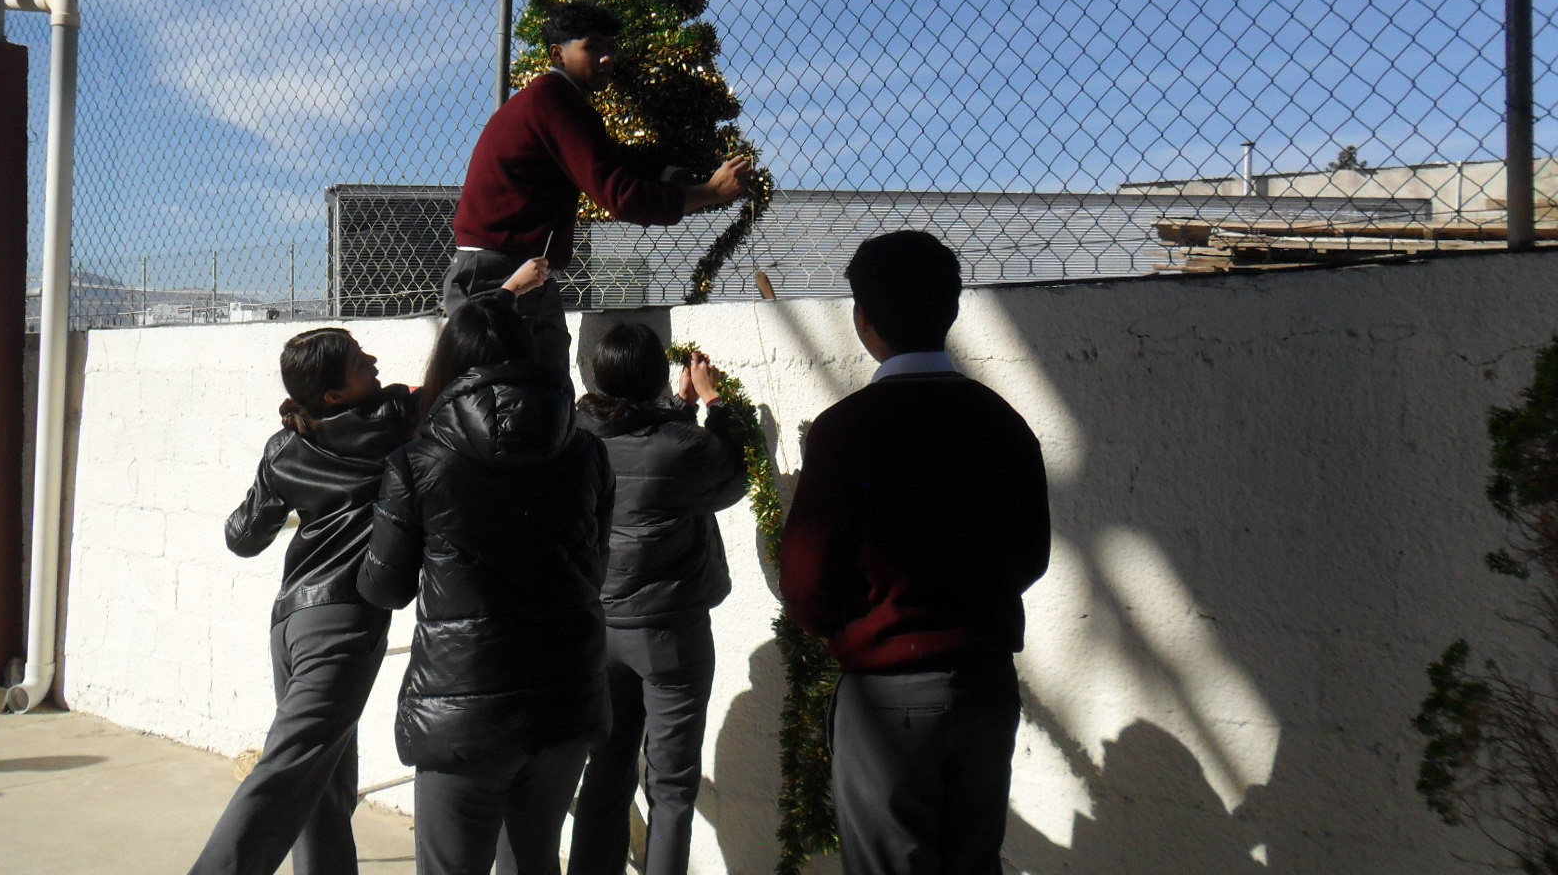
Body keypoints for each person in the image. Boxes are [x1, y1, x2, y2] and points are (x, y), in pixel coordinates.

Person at [779, 230, 1051, 875]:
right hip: (985, 685)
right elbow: (1030, 557)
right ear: (952, 309)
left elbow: (808, 579)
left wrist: (852, 624)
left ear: (863, 319)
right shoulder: (1001, 421)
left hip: (887, 697)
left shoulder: (846, 431)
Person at [358, 297, 615, 875]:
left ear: (447, 364)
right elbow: (593, 567)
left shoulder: (417, 463)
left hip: (460, 710)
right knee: (535, 861)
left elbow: (384, 588)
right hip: (565, 695)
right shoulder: (587, 452)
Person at [188, 329, 415, 875]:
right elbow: (457, 364)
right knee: (291, 771)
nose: (375, 361)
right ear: (334, 395)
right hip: (342, 627)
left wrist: (279, 494)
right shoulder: (393, 421)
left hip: (290, 625)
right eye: (362, 362)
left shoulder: (284, 447)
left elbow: (243, 537)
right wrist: (504, 292)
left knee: (322, 786)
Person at [446, 1, 754, 371]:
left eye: (610, 48)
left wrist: (670, 172)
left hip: (503, 267)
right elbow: (619, 196)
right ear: (558, 54)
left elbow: (610, 159)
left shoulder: (553, 101)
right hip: (500, 271)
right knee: (521, 401)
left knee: (530, 397)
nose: (607, 58)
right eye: (592, 47)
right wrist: (710, 193)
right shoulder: (554, 102)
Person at [564, 324, 750, 875]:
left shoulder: (576, 438)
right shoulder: (683, 448)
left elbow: (635, 429)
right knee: (670, 788)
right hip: (670, 633)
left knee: (606, 771)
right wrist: (714, 402)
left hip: (600, 627)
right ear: (654, 376)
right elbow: (731, 477)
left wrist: (674, 403)